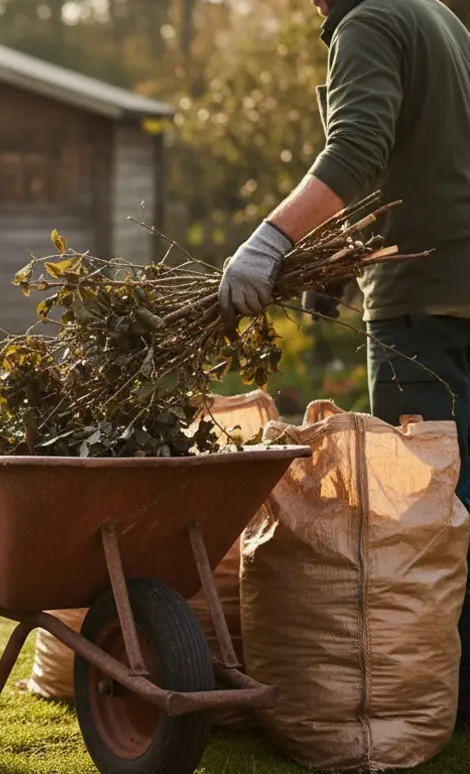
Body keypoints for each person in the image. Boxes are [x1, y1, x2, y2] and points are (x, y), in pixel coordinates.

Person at [218, 0, 470, 723]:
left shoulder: (370, 22)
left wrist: (270, 240)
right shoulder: (438, 16)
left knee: (430, 510)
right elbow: (421, 155)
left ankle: (444, 691)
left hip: (421, 303)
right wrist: (337, 262)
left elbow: (358, 148)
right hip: (455, 285)